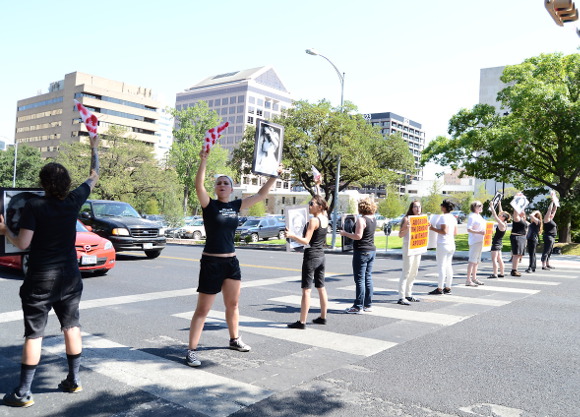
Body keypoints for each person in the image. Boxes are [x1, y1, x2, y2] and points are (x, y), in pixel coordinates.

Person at [0, 137, 99, 408]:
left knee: (34, 334)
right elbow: (94, 175)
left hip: (40, 278)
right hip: (70, 276)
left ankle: (23, 393)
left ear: (43, 183)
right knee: (71, 326)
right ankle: (74, 380)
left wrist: (5, 230)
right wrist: (94, 147)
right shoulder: (74, 200)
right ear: (67, 184)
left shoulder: (34, 205)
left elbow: (22, 243)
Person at [187, 149, 279, 367]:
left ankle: (234, 339)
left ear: (231, 187)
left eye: (225, 183)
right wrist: (204, 160)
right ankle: (191, 350)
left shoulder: (235, 206)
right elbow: (198, 185)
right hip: (211, 262)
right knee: (203, 310)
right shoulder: (209, 205)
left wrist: (273, 177)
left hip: (231, 263)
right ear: (215, 188)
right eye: (218, 183)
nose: (221, 185)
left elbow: (260, 196)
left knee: (233, 304)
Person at [285, 195, 329, 328]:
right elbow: (322, 201)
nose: (309, 206)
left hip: (311, 256)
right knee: (321, 287)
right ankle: (323, 317)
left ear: (319, 207)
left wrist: (292, 235)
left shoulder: (313, 221)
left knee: (306, 290)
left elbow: (306, 241)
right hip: (321, 255)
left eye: (312, 203)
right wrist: (317, 187)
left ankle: (302, 322)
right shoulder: (325, 218)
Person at [340, 198, 377, 313]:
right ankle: (368, 304)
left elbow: (358, 236)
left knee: (360, 279)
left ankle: (358, 306)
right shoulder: (373, 218)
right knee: (368, 277)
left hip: (361, 251)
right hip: (371, 250)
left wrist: (345, 233)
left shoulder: (362, 220)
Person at [396, 201, 423, 305]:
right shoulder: (407, 219)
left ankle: (409, 294)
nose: (418, 209)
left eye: (419, 207)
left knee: (414, 272)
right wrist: (407, 229)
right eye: (415, 207)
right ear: (411, 208)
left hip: (418, 248)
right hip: (409, 248)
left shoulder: (421, 219)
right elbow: (400, 235)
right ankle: (401, 296)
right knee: (406, 272)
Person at [428, 200, 457, 295]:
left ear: (444, 207)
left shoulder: (443, 218)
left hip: (443, 244)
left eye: (441, 206)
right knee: (449, 266)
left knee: (441, 266)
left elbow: (444, 231)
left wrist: (432, 228)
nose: (440, 207)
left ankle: (440, 288)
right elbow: (455, 232)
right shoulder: (453, 218)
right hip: (451, 243)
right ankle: (448, 287)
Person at [465, 201, 486, 286]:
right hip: (474, 241)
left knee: (476, 261)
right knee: (472, 261)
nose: (481, 207)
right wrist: (479, 232)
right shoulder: (472, 217)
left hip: (480, 240)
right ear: (474, 207)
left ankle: (474, 278)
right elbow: (469, 229)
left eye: (481, 206)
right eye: (479, 206)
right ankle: (468, 280)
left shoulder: (479, 216)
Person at [487, 202, 511, 279]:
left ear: (503, 217)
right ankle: (502, 273)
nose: (499, 215)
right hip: (499, 242)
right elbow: (501, 212)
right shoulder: (504, 223)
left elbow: (494, 216)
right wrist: (500, 204)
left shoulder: (502, 224)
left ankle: (495, 274)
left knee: (494, 259)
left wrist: (492, 206)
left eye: (501, 215)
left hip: (496, 243)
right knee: (499, 258)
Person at [510, 206, 528, 277]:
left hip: (522, 237)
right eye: (521, 210)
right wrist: (517, 204)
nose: (523, 212)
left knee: (519, 254)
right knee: (516, 254)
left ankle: (515, 269)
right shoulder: (517, 219)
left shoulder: (523, 220)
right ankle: (514, 270)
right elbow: (515, 213)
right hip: (517, 237)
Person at [541, 199, 558, 270]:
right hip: (548, 236)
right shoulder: (546, 219)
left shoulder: (551, 219)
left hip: (552, 237)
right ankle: (543, 265)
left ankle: (547, 263)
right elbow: (550, 210)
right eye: (550, 213)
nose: (551, 214)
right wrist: (552, 202)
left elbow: (554, 211)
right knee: (546, 250)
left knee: (550, 251)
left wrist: (556, 203)